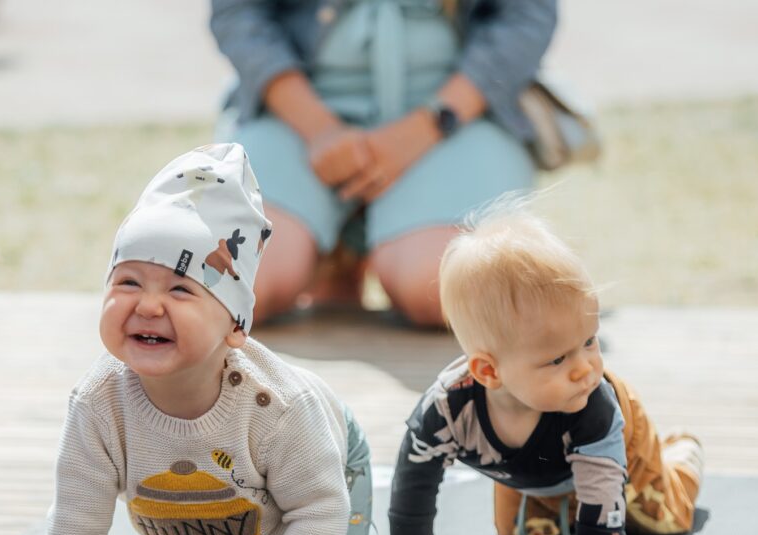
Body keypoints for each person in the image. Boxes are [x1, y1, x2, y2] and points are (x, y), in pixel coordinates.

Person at [14, 143, 377, 535]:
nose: (148, 304)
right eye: (128, 282)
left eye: (181, 291)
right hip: (216, 500)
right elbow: (76, 514)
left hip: (325, 463)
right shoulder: (98, 404)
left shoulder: (279, 407)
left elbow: (318, 507)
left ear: (235, 326)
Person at [388, 202, 703, 535]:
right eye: (557, 359)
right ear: (488, 372)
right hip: (533, 471)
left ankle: (682, 451)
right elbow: (414, 477)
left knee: (661, 517)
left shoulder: (595, 405)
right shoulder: (449, 409)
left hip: (624, 449)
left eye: (590, 341)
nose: (584, 368)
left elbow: (605, 495)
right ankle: (564, 500)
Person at [210, 0, 557, 326]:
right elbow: (238, 13)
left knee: (446, 287)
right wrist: (319, 129)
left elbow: (525, 18)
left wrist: (426, 126)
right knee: (227, 285)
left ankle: (363, 243)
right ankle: (334, 249)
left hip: (458, 110)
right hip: (297, 110)